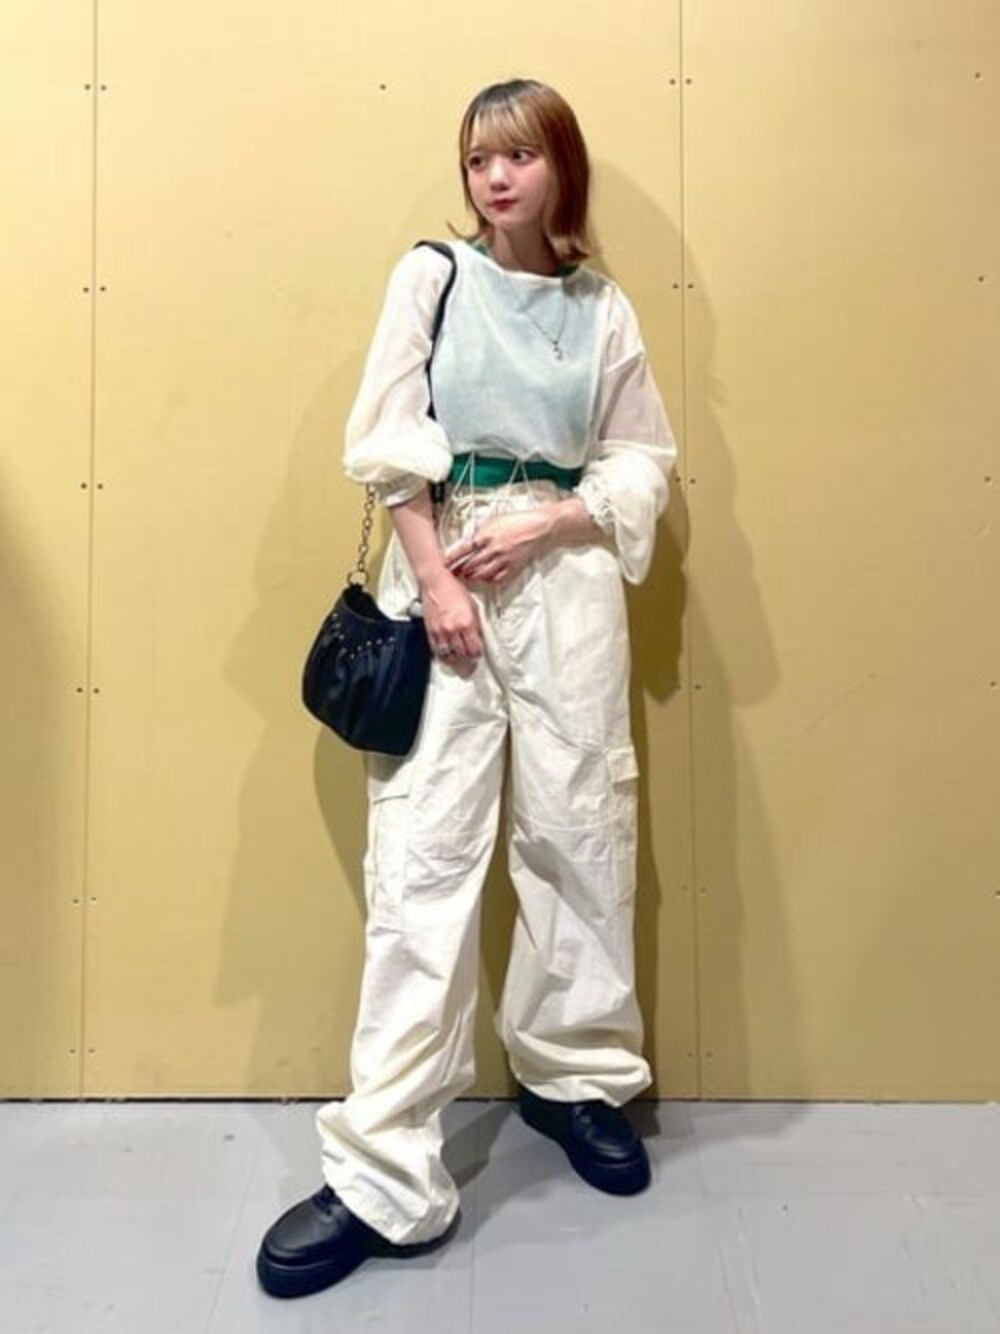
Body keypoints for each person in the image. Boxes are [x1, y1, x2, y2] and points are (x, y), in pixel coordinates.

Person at [257, 76, 678, 1300]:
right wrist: (437, 582)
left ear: (560, 169)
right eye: (479, 158)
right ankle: (384, 1168)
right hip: (444, 571)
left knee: (579, 832)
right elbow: (388, 436)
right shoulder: (432, 277)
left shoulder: (601, 306)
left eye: (519, 156)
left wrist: (557, 520)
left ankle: (574, 1072)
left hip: (567, 578)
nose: (495, 178)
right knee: (424, 861)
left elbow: (640, 456)